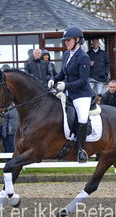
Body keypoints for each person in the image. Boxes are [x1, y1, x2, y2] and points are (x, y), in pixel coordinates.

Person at [48, 26, 93, 163]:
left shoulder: (84, 57)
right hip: (68, 93)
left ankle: (81, 150)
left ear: (77, 40)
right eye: (65, 40)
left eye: (68, 40)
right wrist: (53, 79)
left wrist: (65, 85)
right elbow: (62, 74)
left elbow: (83, 81)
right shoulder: (67, 54)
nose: (66, 42)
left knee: (82, 118)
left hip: (82, 95)